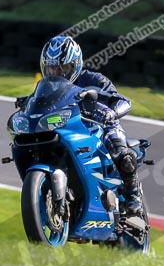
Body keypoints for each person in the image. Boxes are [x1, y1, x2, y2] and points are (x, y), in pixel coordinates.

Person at [16, 34, 144, 215]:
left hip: (99, 126)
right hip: (68, 128)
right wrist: (26, 104)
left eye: (62, 68)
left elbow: (123, 101)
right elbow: (35, 104)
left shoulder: (94, 80)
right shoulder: (46, 87)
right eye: (51, 68)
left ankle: (133, 195)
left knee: (121, 152)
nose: (56, 73)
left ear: (75, 65)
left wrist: (111, 112)